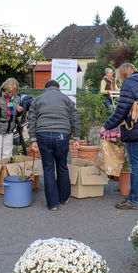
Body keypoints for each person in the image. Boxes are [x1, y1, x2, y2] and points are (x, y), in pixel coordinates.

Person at [100, 63, 138, 210]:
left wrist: (106, 126)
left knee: (136, 166)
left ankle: (134, 200)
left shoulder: (129, 84)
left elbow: (121, 110)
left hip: (136, 130)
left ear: (123, 74)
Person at [28, 80, 81, 211]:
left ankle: (53, 204)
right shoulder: (66, 99)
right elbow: (76, 118)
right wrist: (76, 138)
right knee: (62, 166)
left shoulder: (38, 99)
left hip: (43, 134)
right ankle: (64, 197)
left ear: (46, 88)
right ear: (58, 88)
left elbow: (32, 119)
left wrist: (33, 140)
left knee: (48, 169)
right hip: (62, 135)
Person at [0, 78, 23, 160]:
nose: (10, 95)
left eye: (12, 93)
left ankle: (5, 172)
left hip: (10, 129)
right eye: (8, 92)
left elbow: (17, 115)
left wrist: (19, 111)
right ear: (4, 89)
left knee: (8, 153)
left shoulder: (17, 98)